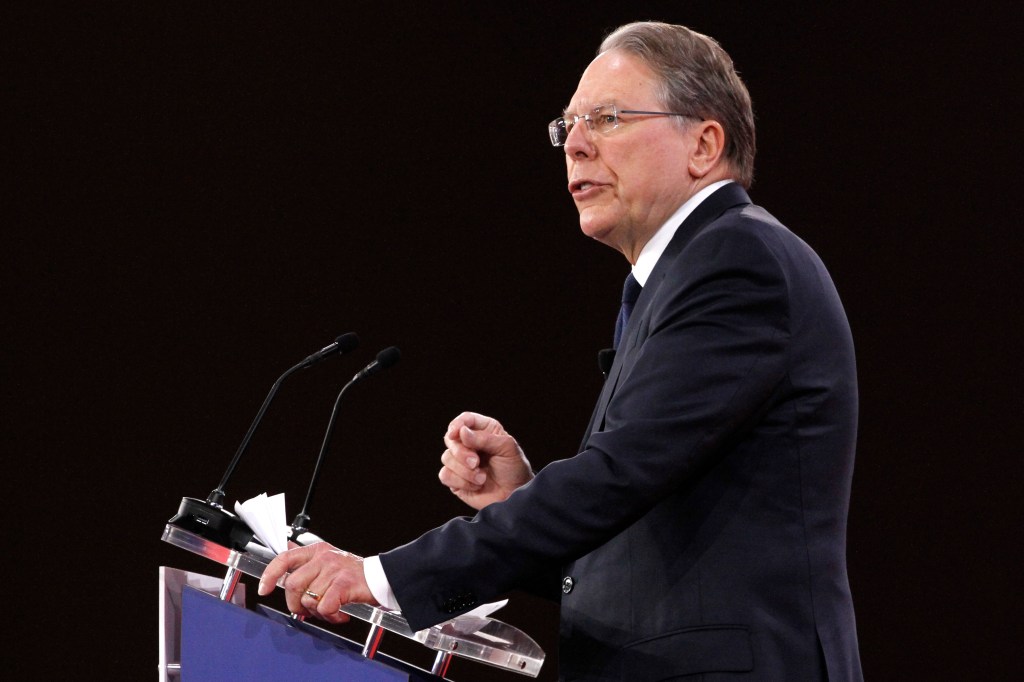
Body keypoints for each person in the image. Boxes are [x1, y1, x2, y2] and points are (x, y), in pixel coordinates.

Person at [260, 20, 862, 680]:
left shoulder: (735, 263)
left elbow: (617, 478)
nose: (574, 145)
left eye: (606, 118)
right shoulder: (683, 274)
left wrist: (379, 577)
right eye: (568, 126)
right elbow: (647, 519)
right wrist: (520, 494)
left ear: (703, 143)